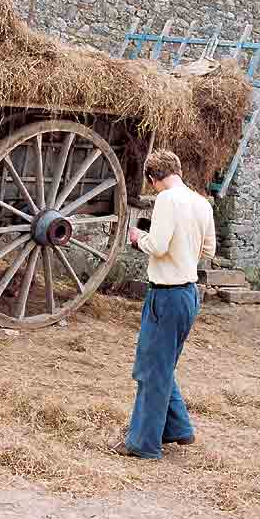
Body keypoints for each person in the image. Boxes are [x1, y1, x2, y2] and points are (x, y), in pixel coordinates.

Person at [112, 149, 216, 459]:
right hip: (188, 294)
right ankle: (178, 429)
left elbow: (157, 246)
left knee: (151, 370)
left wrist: (137, 237)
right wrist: (185, 254)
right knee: (163, 364)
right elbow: (208, 250)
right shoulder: (201, 203)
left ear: (152, 178)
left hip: (166, 294)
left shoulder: (167, 199)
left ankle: (143, 444)